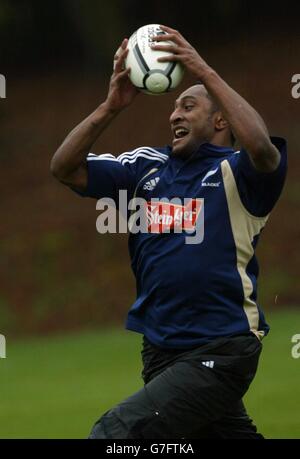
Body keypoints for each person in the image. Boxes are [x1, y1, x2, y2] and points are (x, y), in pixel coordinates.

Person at [51, 25, 287, 439]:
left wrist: (202, 69)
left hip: (221, 349)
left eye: (188, 105)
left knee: (114, 435)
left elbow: (262, 150)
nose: (174, 113)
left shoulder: (239, 172)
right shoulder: (146, 166)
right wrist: (111, 107)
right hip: (160, 352)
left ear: (219, 118)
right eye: (174, 107)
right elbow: (65, 167)